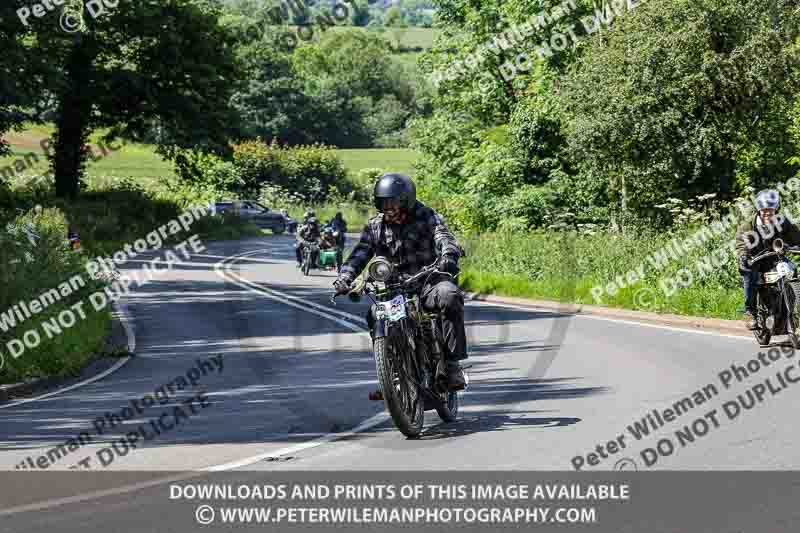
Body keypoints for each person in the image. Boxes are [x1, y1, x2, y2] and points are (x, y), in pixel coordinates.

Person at [332, 173, 468, 390]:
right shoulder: (375, 226)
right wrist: (344, 278)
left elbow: (443, 235)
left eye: (393, 202)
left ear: (407, 200)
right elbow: (360, 254)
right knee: (375, 314)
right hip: (395, 288)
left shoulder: (427, 215)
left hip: (429, 280)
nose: (389, 208)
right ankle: (392, 371)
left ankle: (452, 364)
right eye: (383, 203)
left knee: (449, 296)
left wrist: (449, 255)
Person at [735, 189, 800, 330]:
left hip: (776, 258)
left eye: (771, 211)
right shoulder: (748, 226)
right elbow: (741, 244)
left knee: (793, 270)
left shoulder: (782, 222)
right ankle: (750, 312)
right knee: (749, 274)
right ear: (759, 210)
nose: (767, 214)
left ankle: (789, 310)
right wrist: (743, 256)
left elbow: (796, 237)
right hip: (756, 260)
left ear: (776, 210)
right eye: (764, 211)